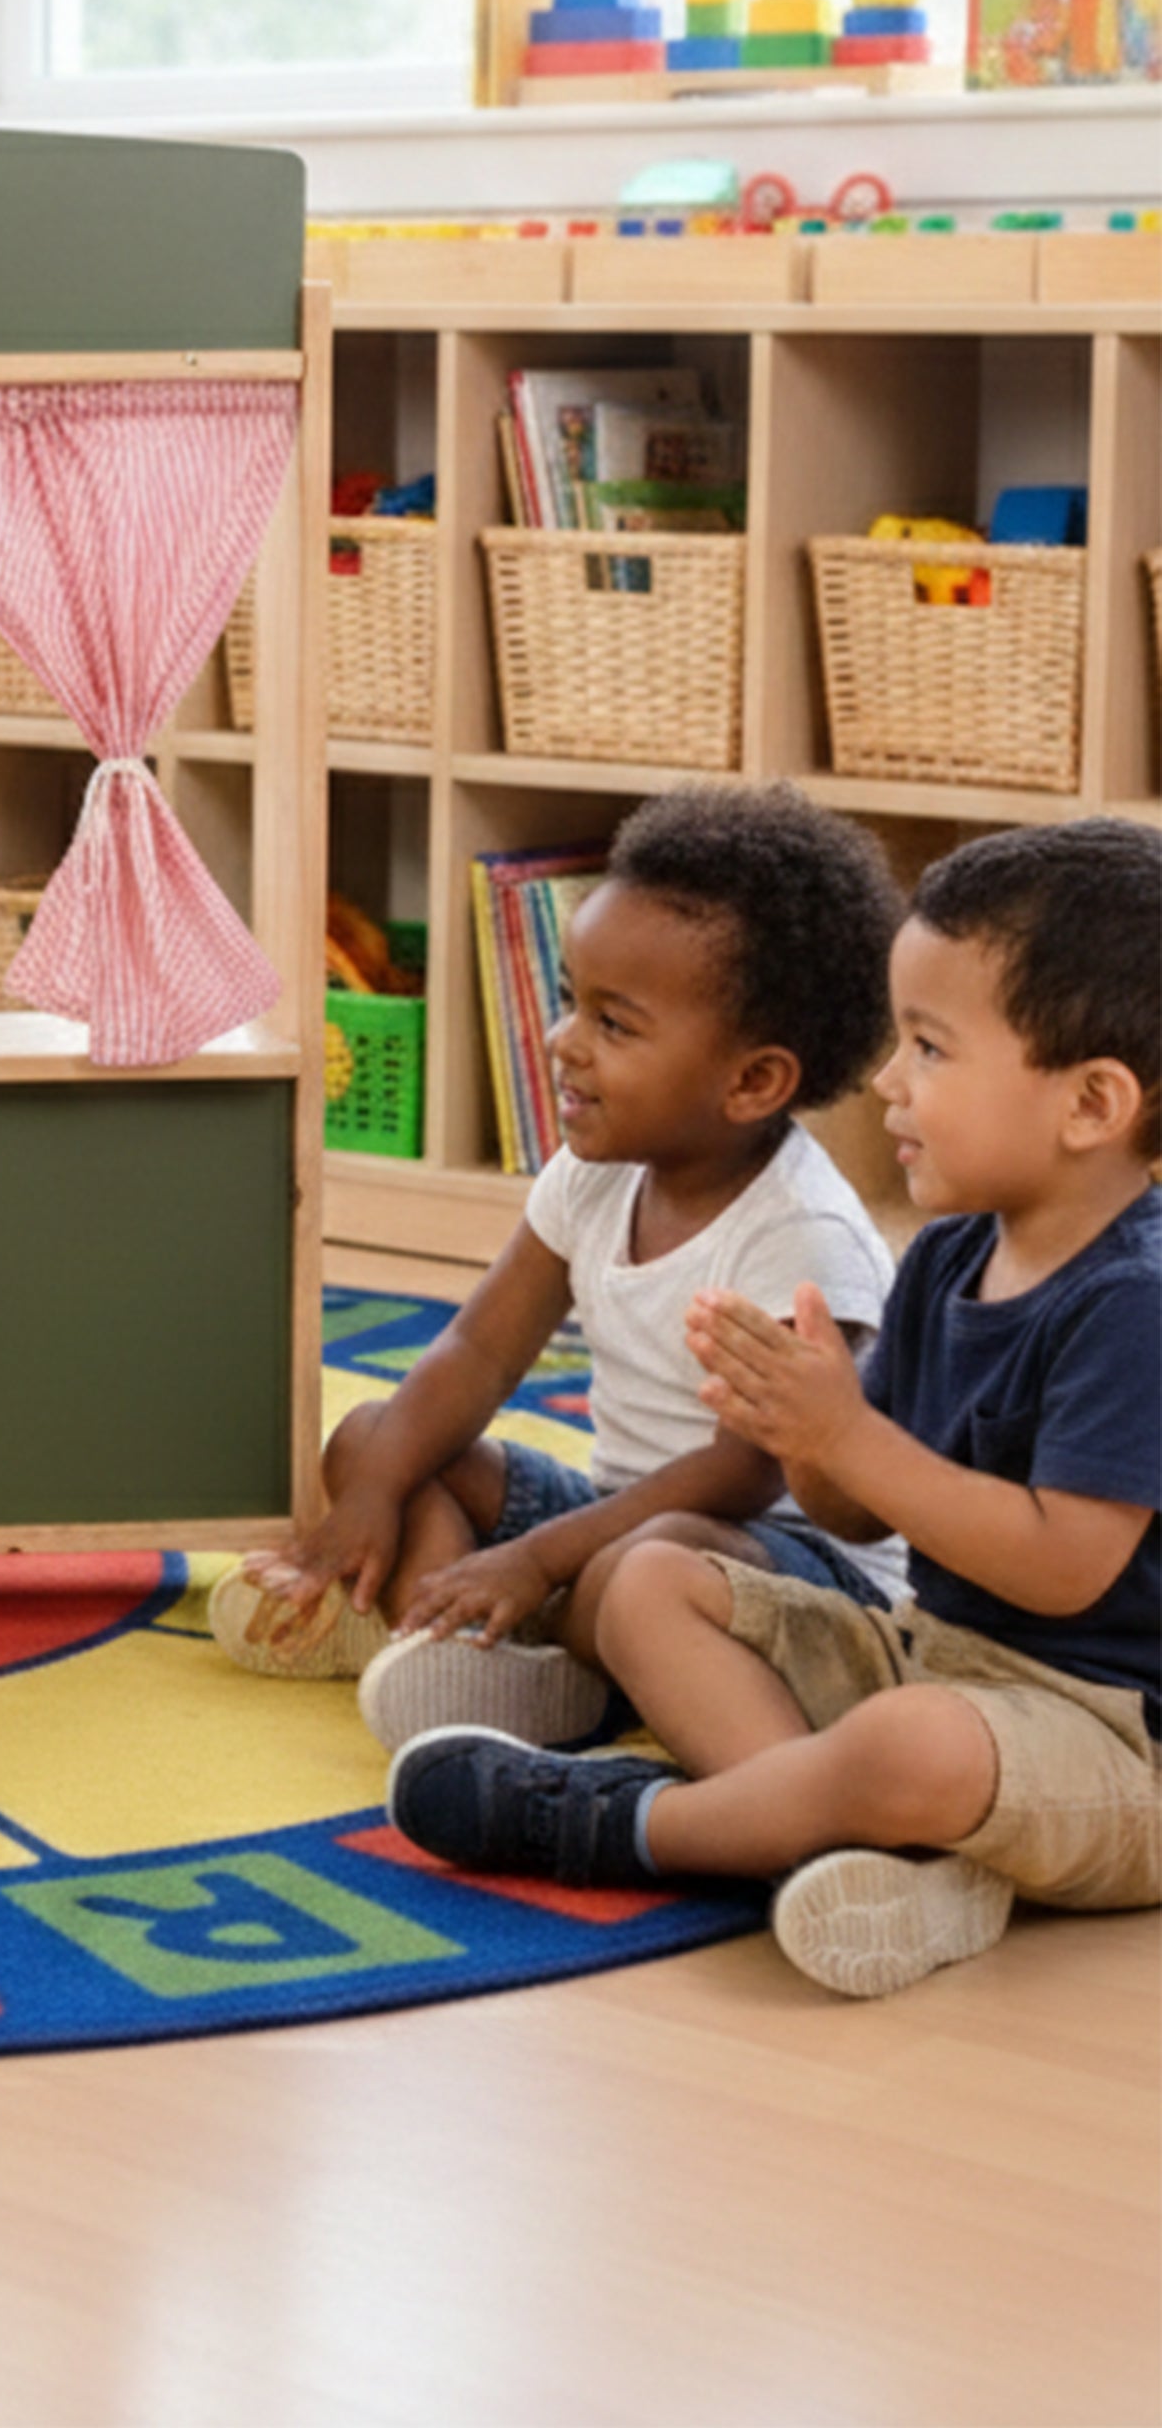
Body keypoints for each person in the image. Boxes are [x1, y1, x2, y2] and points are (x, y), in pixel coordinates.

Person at [388, 819, 1160, 2000]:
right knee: (653, 1580)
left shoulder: (1136, 1303)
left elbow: (1063, 1569)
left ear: (1092, 1103)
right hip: (933, 1659)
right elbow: (857, 1518)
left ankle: (633, 1826)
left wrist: (847, 1433)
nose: (887, 1082)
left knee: (907, 1748)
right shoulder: (948, 1256)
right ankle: (860, 1854)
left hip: (1110, 1740)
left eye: (929, 1048)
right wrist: (809, 1438)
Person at [212, 784, 906, 1751]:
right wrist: (368, 1499)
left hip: (773, 1562)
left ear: (753, 1081)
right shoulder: (593, 1174)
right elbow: (478, 1353)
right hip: (613, 1514)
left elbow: (739, 1475)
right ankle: (450, 1639)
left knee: (642, 1567)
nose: (561, 1041)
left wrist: (539, 1560)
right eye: (573, 1002)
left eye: (614, 1026)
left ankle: (534, 1655)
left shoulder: (801, 1236)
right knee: (378, 1440)